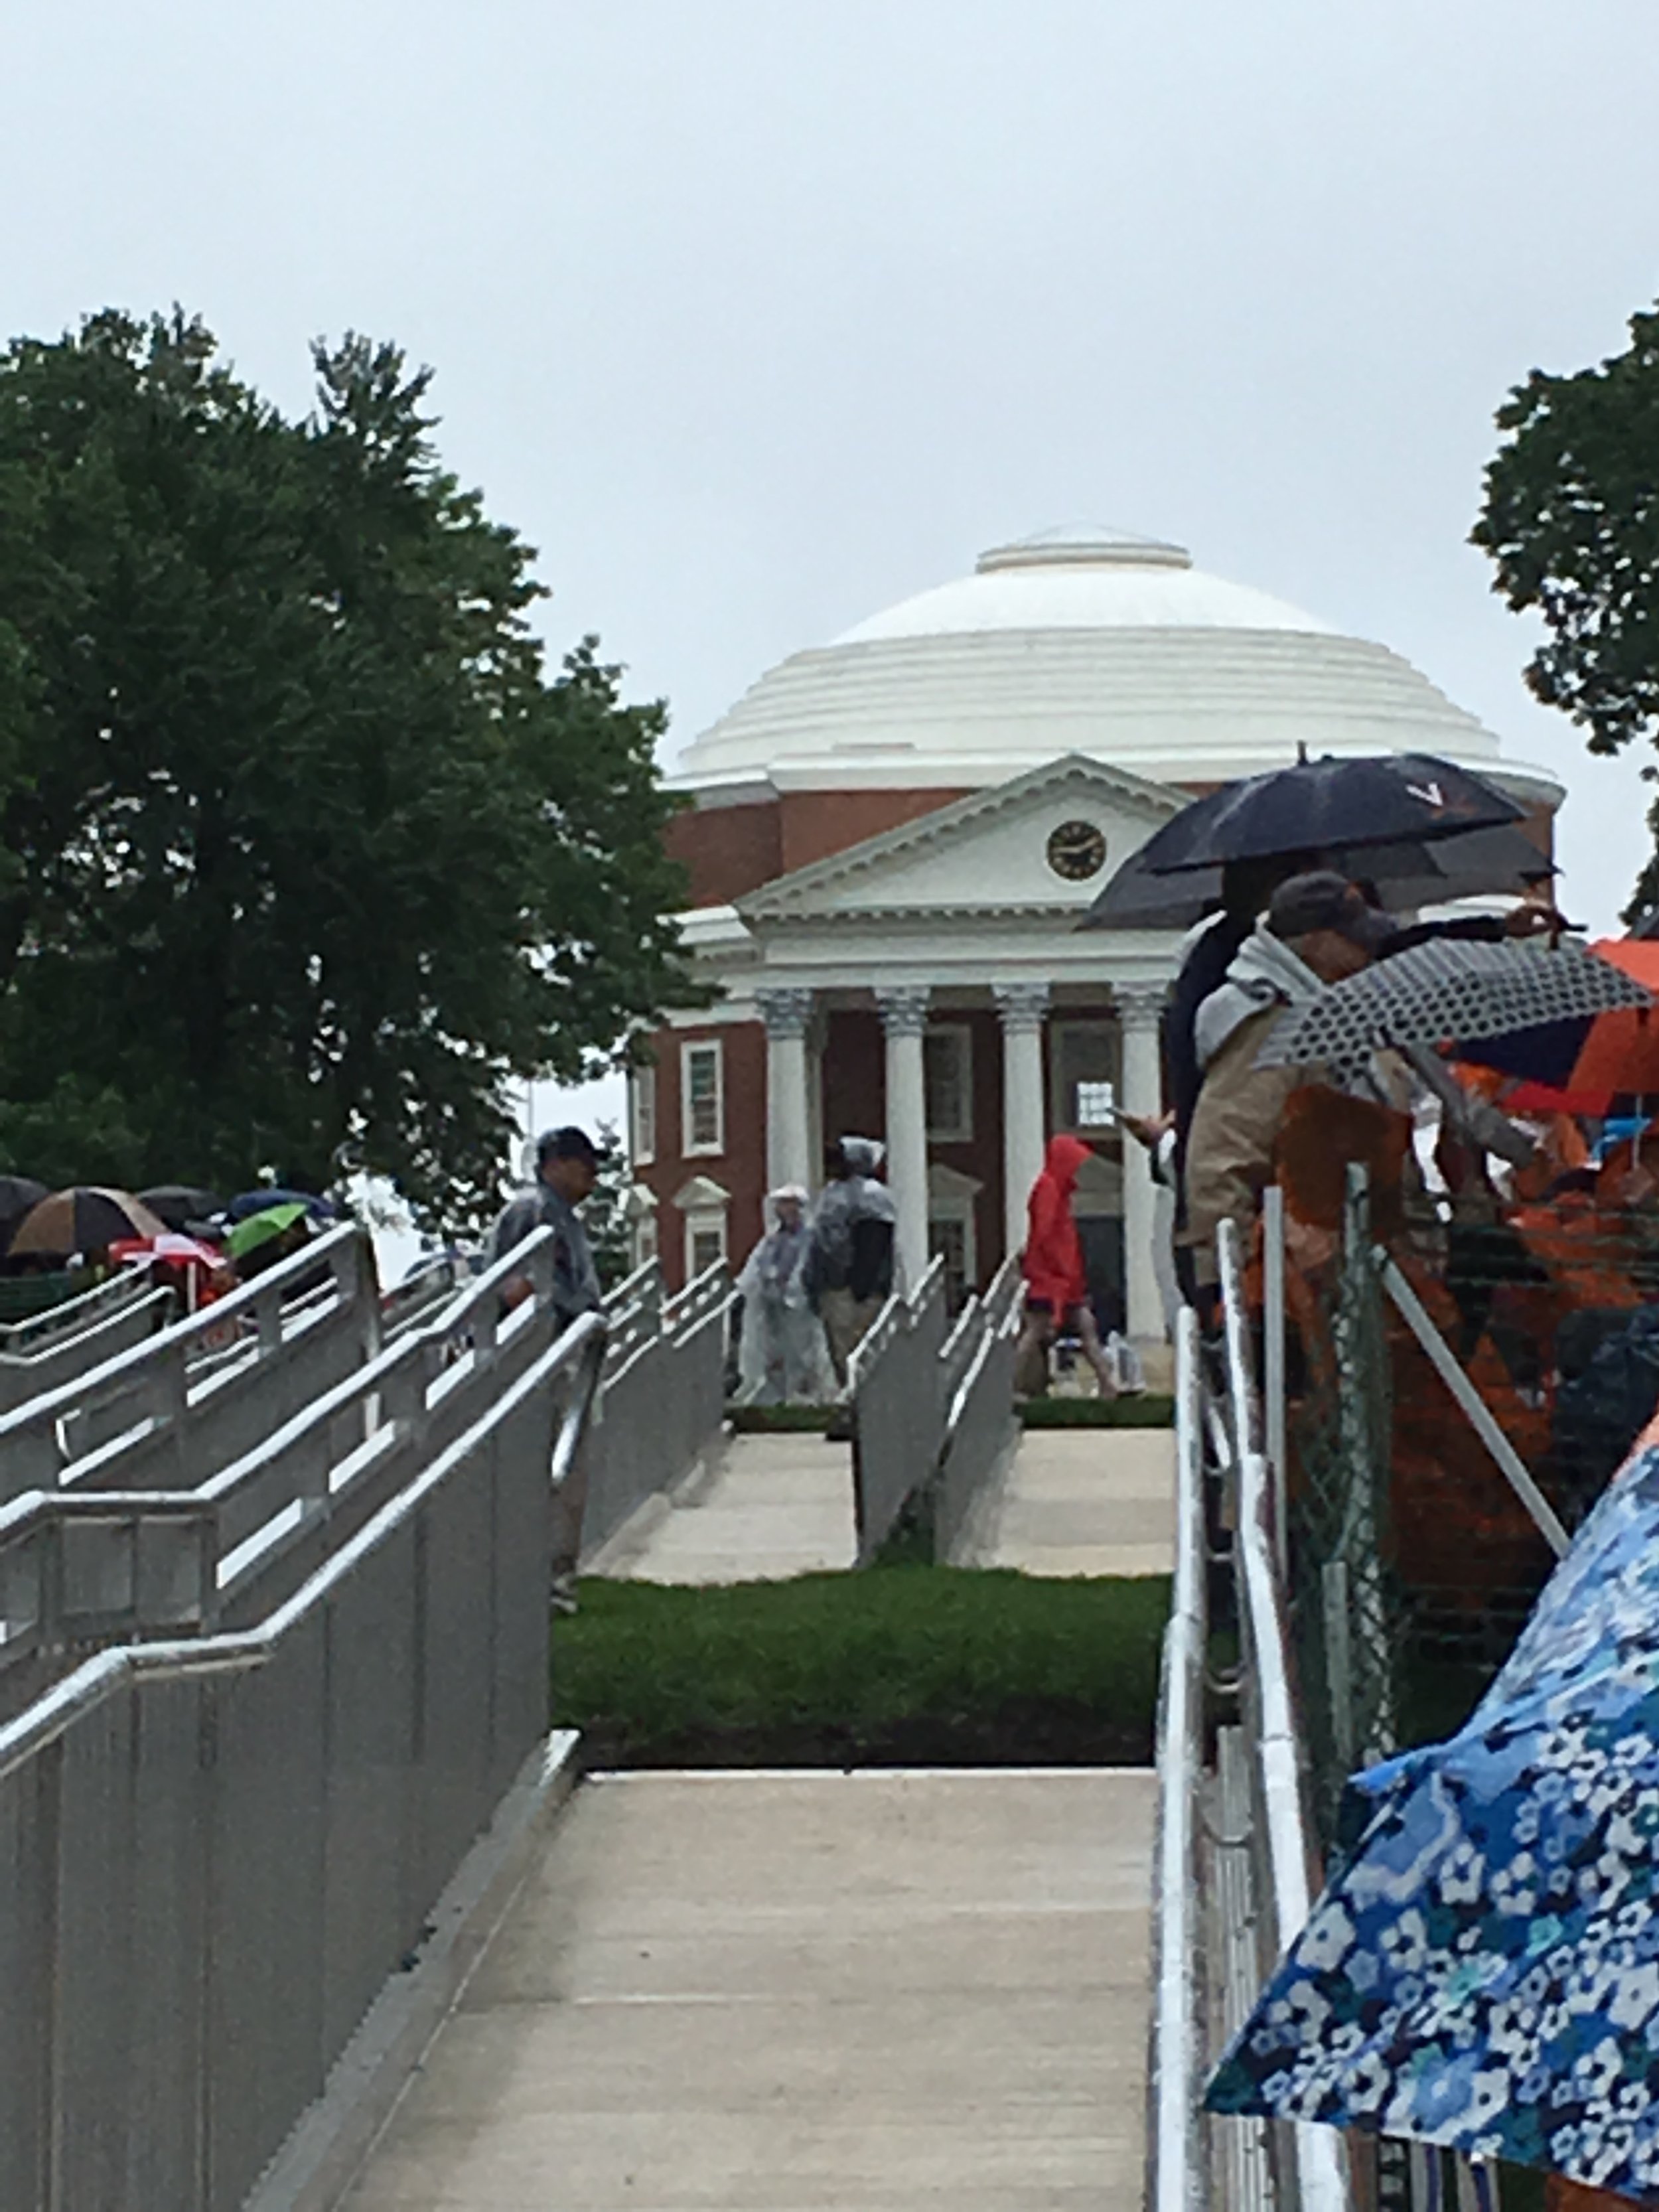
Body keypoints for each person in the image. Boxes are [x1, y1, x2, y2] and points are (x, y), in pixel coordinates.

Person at [1180, 871, 1396, 1295]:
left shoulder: (1312, 1012)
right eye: (1354, 938)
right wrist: (1233, 1285)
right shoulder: (1273, 1021)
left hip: (1333, 1263)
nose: (1368, 952)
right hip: (1301, 1279)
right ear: (1316, 941)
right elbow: (1224, 1153)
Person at [488, 1125, 606, 1610]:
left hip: (564, 1353)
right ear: (553, 1162)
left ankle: (554, 1579)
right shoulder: (533, 1210)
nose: (592, 1173)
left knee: (567, 1471)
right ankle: (545, 1583)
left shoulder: (562, 1217)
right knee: (554, 1473)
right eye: (582, 1162)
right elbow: (513, 1288)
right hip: (540, 1357)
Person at [1013, 1135, 1123, 1398]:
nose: (1077, 1168)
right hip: (1048, 1279)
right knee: (1035, 1332)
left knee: (1086, 1327)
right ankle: (1013, 1385)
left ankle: (1108, 1384)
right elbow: (1045, 1235)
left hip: (1066, 1282)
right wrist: (1055, 1271)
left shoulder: (1058, 1190)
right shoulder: (1048, 1188)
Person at [802, 1136, 897, 1387]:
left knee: (858, 1352)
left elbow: (874, 1244)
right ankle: (850, 1400)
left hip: (854, 1291)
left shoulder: (872, 1196)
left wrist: (862, 1288)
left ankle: (863, 1406)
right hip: (831, 1287)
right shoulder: (832, 1193)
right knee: (839, 1352)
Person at [735, 1185, 831, 1402]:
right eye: (782, 1205)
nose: (786, 1209)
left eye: (790, 1204)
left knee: (803, 1353)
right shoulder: (771, 1240)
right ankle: (774, 1395)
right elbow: (754, 1268)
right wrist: (748, 1287)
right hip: (770, 1305)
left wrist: (794, 1288)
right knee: (771, 1353)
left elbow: (807, 1267)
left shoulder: (810, 1237)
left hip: (799, 1308)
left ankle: (805, 1395)